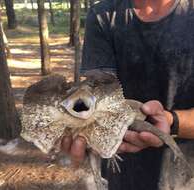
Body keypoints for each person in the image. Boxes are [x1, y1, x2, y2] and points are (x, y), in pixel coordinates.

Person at [62, 0, 194, 189]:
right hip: (122, 172)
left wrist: (172, 121)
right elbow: (98, 93)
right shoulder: (103, 15)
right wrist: (83, 130)